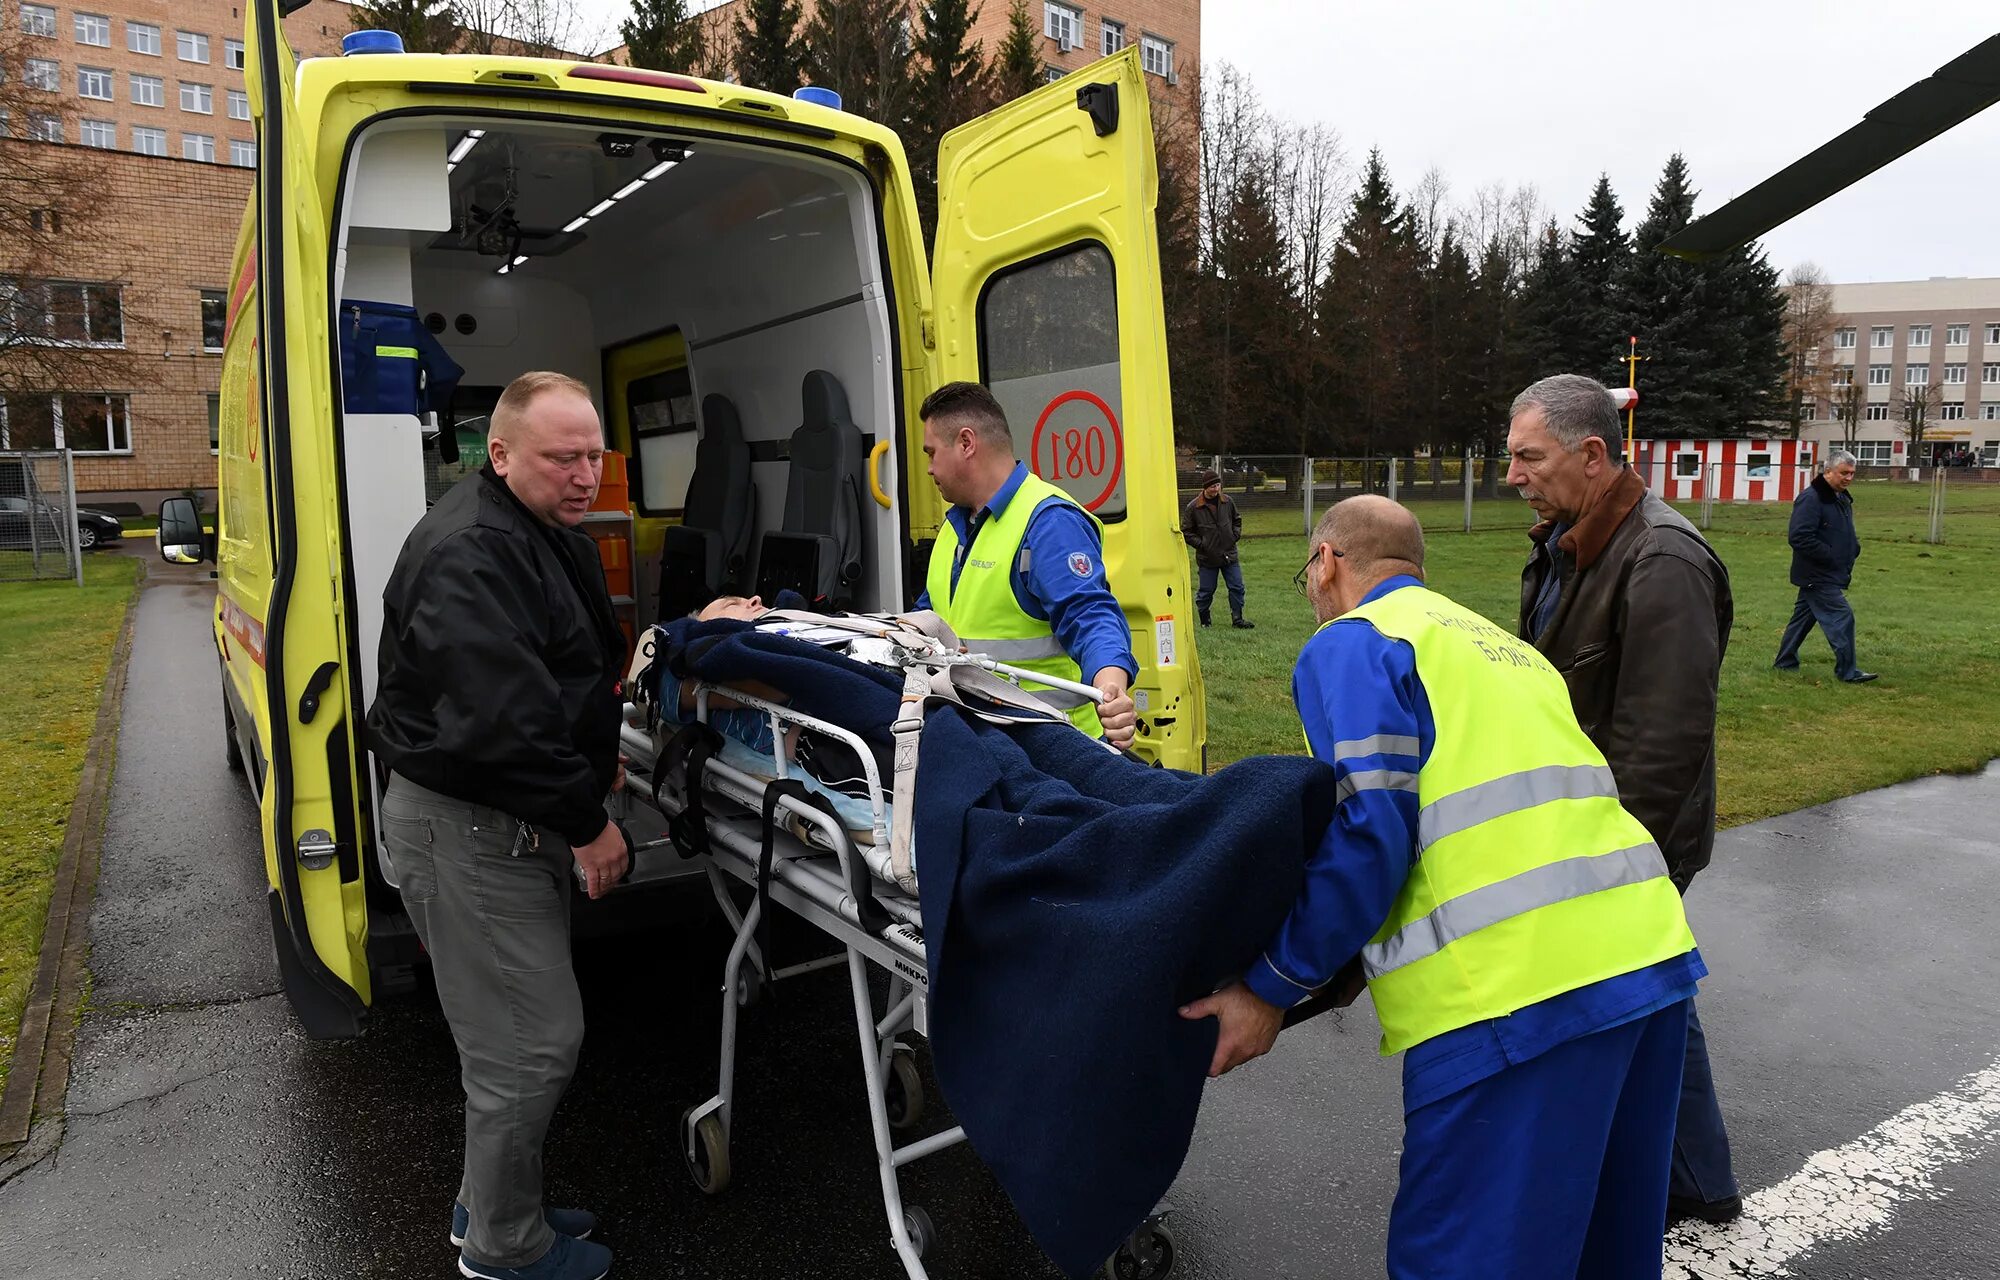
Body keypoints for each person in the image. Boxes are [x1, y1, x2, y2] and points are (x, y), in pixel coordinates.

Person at [1182, 495, 1706, 1279]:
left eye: (1307, 577)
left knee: (1465, 1259)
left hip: (1512, 995)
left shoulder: (1355, 643)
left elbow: (1370, 830)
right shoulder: (1505, 647)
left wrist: (1271, 986)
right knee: (1607, 1249)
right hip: (1649, 964)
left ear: (1327, 563)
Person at [366, 371, 629, 1280]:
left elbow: (560, 672)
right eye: (564, 457)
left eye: (595, 454)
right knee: (528, 1043)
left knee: (510, 1035)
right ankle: (504, 1251)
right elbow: (503, 726)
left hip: (497, 819)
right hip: (471, 827)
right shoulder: (472, 551)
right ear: (502, 453)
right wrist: (591, 820)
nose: (586, 474)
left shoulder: (536, 532)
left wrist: (602, 749)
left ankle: (491, 1205)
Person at [1507, 373, 1743, 1226]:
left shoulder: (1663, 557)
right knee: (1653, 991)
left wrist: (1618, 859)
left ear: (1593, 455)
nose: (1514, 475)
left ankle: (1687, 1178)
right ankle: (1693, 1175)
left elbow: (1666, 733)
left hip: (1634, 835)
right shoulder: (1568, 542)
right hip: (1591, 824)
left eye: (1529, 457)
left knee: (1640, 989)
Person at [914, 380, 1139, 748]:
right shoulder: (956, 526)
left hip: (1056, 749)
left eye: (931, 452)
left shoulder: (1048, 522)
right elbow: (931, 614)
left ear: (966, 444)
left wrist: (1111, 691)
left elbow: (1091, 616)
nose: (928, 468)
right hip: (985, 739)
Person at [1773, 450, 1874, 683]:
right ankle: (1848, 672)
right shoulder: (1811, 498)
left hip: (1827, 571)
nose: (1848, 478)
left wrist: (1853, 548)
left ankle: (1784, 662)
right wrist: (1831, 556)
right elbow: (1799, 537)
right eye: (1843, 473)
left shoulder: (1840, 498)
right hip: (1817, 573)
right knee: (1842, 616)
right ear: (1828, 472)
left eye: (1852, 473)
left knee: (1802, 618)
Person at [1181, 468, 1253, 629]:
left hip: (1229, 554)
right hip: (1208, 557)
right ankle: (1205, 620)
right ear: (1205, 487)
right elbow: (1186, 531)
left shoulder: (1227, 501)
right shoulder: (1193, 507)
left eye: (1218, 485)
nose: (1215, 489)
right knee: (1206, 590)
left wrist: (1235, 535)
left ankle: (1237, 618)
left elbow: (1237, 520)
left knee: (1237, 586)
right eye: (1212, 486)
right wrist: (1202, 545)